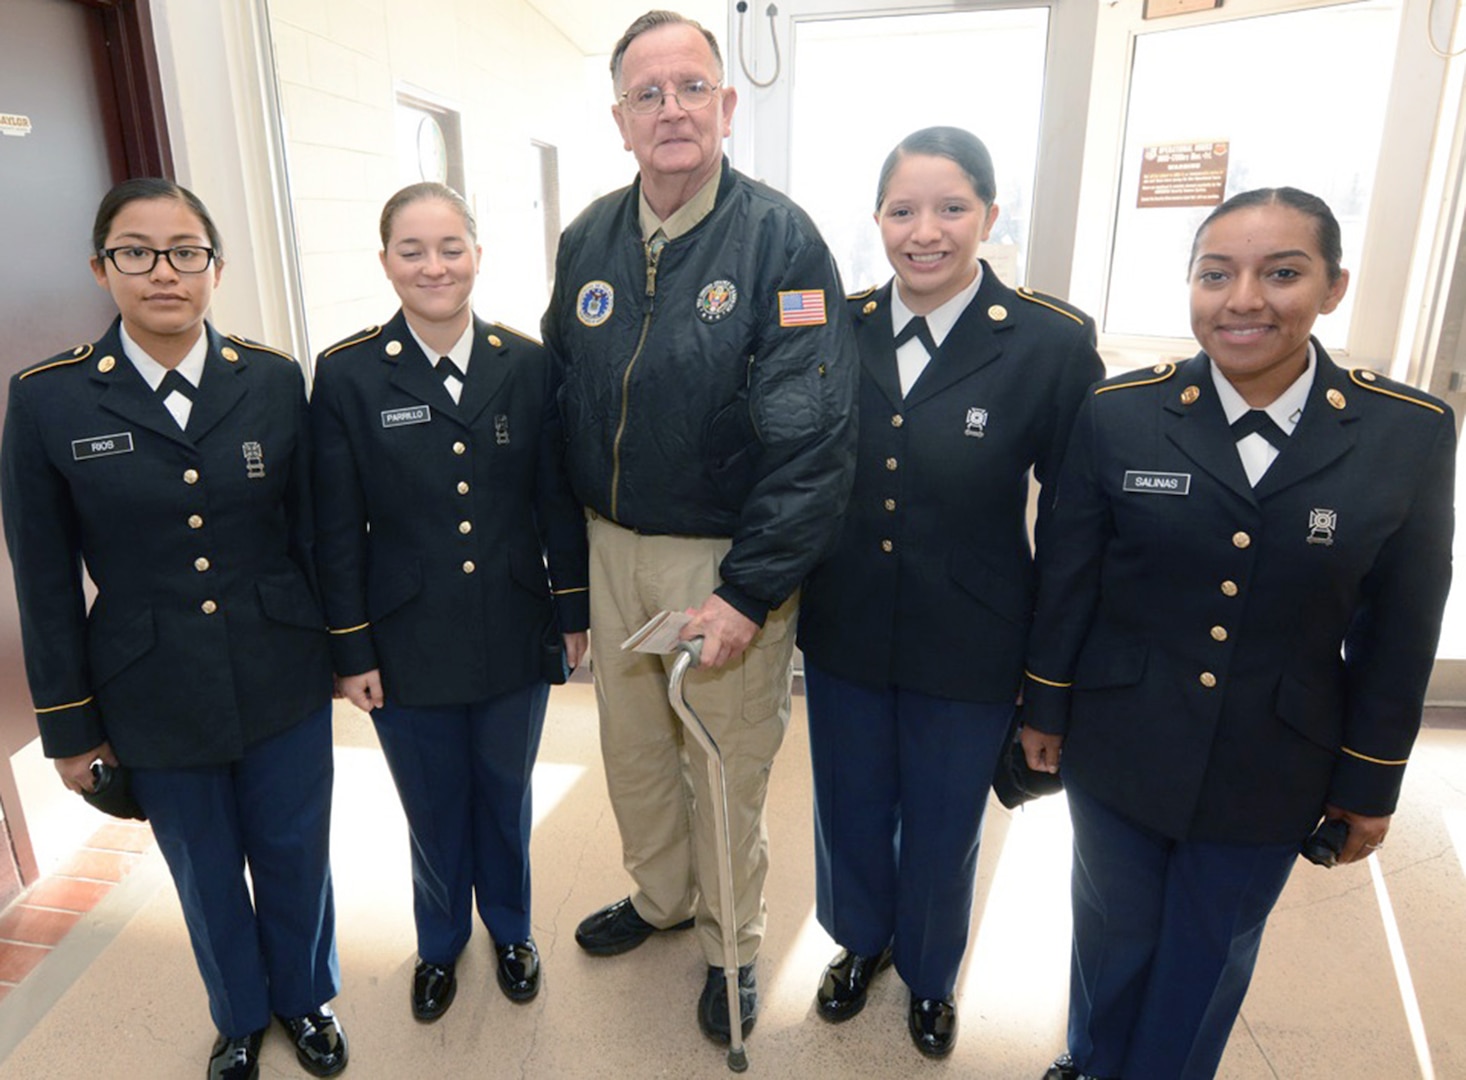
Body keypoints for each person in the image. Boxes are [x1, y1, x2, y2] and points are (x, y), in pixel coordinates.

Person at [1021, 187, 1455, 1080]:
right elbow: (1070, 580)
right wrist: (1045, 710)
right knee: (1112, 929)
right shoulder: (1120, 411)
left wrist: (1370, 778)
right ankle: (1093, 1061)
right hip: (1123, 734)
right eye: (1217, 274)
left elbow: (1402, 626)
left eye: (1282, 272)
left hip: (1279, 754)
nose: (1244, 298)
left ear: (1334, 287)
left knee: (1210, 948)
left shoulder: (1405, 433)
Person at [541, 9, 857, 1044]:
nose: (670, 109)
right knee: (631, 753)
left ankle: (729, 945)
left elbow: (811, 442)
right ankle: (662, 897)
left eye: (690, 89)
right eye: (648, 93)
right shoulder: (587, 236)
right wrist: (564, 578)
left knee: (720, 763)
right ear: (621, 119)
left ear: (725, 106)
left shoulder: (778, 238)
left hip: (715, 559)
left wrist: (747, 590)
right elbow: (558, 404)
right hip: (608, 545)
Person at [0, 178, 347, 1080]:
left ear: (215, 268)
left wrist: (348, 656)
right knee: (201, 867)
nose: (164, 272)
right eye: (137, 251)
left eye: (186, 251)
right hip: (149, 685)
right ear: (100, 266)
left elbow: (314, 535)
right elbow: (42, 581)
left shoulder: (271, 379)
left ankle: (306, 1000)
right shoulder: (49, 399)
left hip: (282, 669)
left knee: (295, 853)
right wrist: (69, 729)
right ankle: (238, 1015)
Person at [796, 127, 1104, 1058]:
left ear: (990, 216)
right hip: (846, 626)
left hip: (971, 639)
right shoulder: (831, 327)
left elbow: (1076, 526)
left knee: (943, 820)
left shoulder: (1048, 342)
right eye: (902, 210)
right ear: (879, 219)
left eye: (950, 208)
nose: (923, 232)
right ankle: (859, 943)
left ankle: (930, 974)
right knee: (848, 805)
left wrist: (1048, 681)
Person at [311, 182, 588, 1022]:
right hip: (404, 638)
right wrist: (351, 649)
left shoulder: (527, 363)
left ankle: (510, 928)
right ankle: (439, 944)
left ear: (477, 253)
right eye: (412, 250)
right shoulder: (350, 373)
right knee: (432, 805)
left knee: (504, 795)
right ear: (387, 260)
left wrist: (572, 612)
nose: (434, 266)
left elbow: (555, 500)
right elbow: (334, 527)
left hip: (512, 621)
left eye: (451, 247)